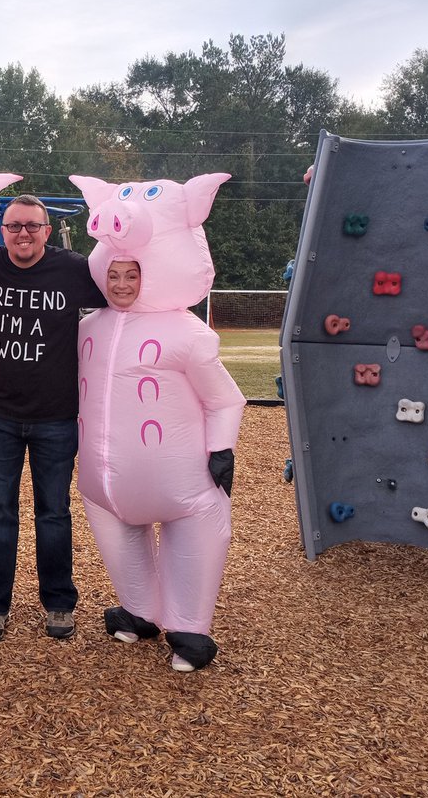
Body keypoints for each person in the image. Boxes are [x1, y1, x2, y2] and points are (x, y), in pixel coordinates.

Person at [72, 172, 245, 672]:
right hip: (104, 482)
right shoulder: (89, 327)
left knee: (193, 536)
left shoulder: (188, 333)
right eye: (115, 275)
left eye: (132, 275)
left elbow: (224, 399)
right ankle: (140, 609)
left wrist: (221, 448)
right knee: (119, 538)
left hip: (181, 482)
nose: (122, 284)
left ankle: (190, 628)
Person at [0, 194, 105, 642]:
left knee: (54, 512)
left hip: (56, 416)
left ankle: (59, 602)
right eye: (14, 226)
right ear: (2, 231)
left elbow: (125, 288)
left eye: (31, 226)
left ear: (47, 230)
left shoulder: (73, 269)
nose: (22, 234)